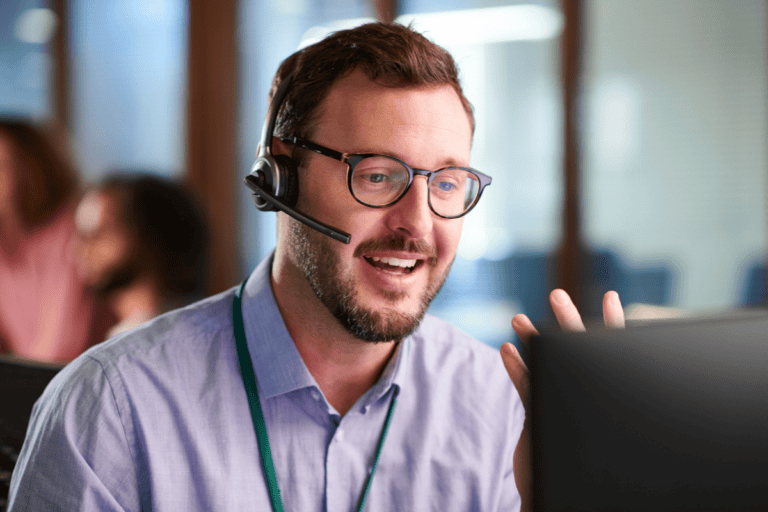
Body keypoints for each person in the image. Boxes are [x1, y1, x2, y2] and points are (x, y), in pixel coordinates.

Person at [8, 23, 624, 511]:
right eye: (378, 176)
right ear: (282, 178)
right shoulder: (112, 408)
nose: (418, 223)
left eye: (447, 183)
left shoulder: (500, 409)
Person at [0, 119, 114, 362]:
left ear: (28, 171)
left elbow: (59, 349)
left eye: (2, 167)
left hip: (78, 379)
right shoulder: (4, 241)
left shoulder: (70, 231)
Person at [71, 173, 210, 337]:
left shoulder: (174, 337)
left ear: (152, 236)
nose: (78, 249)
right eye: (81, 236)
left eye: (97, 234)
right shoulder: (125, 335)